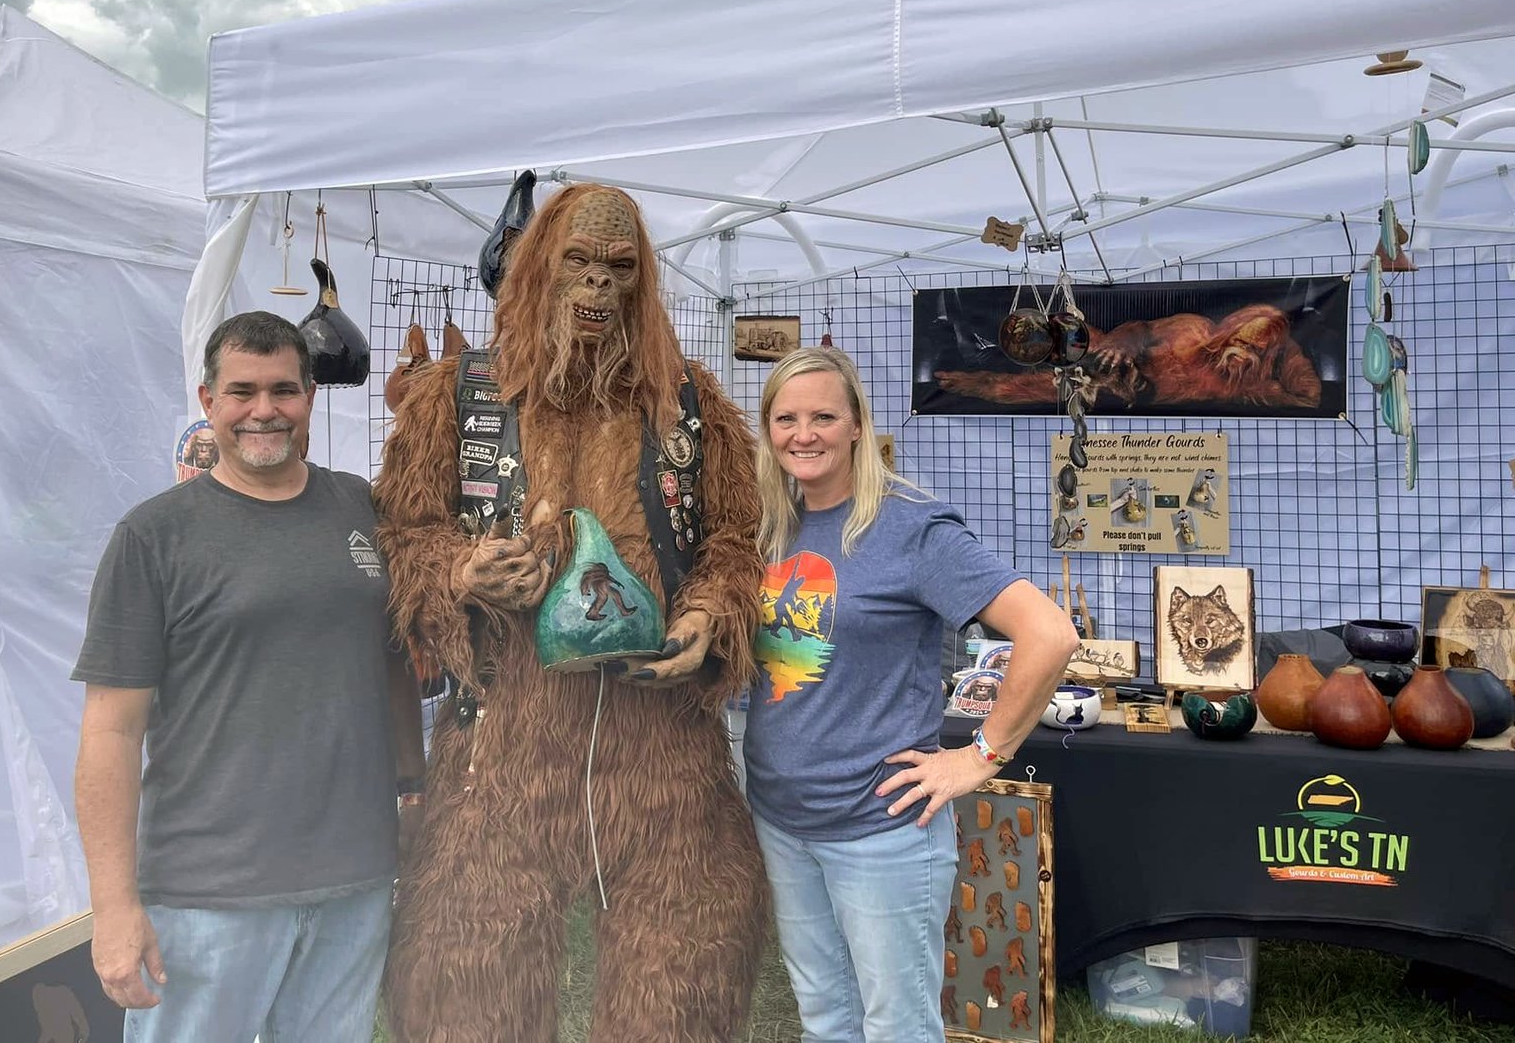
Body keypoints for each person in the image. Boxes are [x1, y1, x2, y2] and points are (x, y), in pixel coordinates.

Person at [375, 183, 767, 1043]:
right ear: (537, 273)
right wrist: (463, 567)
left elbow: (736, 541)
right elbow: (403, 534)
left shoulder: (691, 406)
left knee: (684, 972)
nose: (596, 287)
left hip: (661, 741)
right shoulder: (458, 396)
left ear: (645, 284)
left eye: (619, 269)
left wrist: (706, 614)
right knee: (468, 979)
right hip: (506, 741)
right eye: (578, 265)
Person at [71, 310, 425, 1043]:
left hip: (354, 879)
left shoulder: (361, 510)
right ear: (208, 402)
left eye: (283, 391)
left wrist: (411, 788)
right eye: (242, 392)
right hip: (209, 892)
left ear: (310, 400)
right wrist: (113, 908)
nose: (264, 410)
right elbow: (111, 729)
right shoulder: (154, 536)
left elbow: (395, 662)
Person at [745, 346, 1078, 1043]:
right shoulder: (770, 528)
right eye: (786, 418)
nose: (803, 434)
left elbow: (1048, 633)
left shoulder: (912, 528)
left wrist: (980, 755)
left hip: (881, 827)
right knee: (826, 1018)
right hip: (781, 816)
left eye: (823, 417)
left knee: (897, 1027)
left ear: (858, 424)